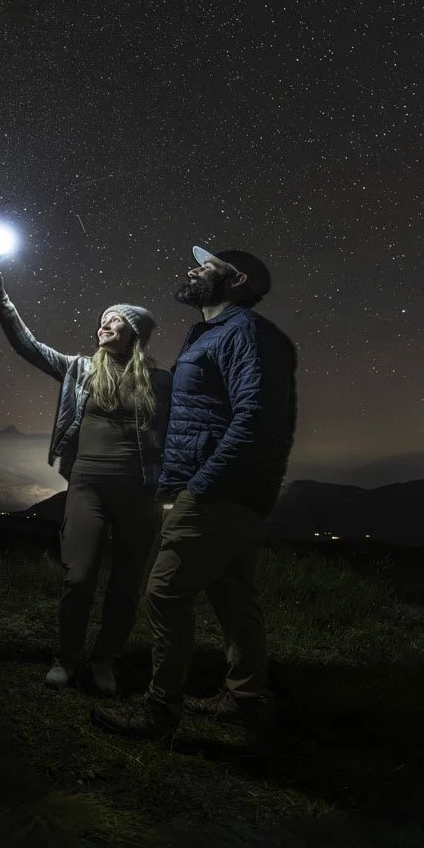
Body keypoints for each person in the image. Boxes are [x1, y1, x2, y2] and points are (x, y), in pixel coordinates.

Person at [92, 245, 297, 742]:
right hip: (228, 486)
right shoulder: (210, 333)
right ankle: (246, 699)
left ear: (236, 279)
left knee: (164, 591)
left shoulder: (246, 332)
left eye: (205, 266)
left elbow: (256, 417)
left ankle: (161, 709)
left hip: (219, 488)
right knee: (233, 596)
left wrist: (201, 485)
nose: (192, 270)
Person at [0, 266, 171, 696]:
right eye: (102, 319)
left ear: (134, 333)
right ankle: (67, 658)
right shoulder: (79, 369)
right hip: (88, 486)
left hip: (141, 493)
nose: (102, 324)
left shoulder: (161, 382)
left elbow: (179, 429)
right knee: (79, 577)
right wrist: (0, 300)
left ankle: (104, 660)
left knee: (125, 585)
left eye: (114, 320)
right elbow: (28, 346)